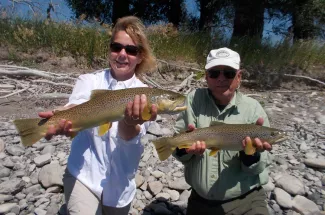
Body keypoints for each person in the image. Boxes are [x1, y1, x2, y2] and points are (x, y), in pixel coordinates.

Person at [39, 16, 157, 215]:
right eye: (116, 47)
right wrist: (63, 115)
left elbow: (132, 136)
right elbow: (77, 104)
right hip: (83, 176)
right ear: (109, 50)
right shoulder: (88, 80)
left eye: (131, 50)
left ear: (140, 56)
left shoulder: (145, 93)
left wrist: (129, 123)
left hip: (120, 186)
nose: (122, 54)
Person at [172, 47, 272, 215]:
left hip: (246, 202)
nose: (221, 78)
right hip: (200, 202)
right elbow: (179, 151)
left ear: (238, 77)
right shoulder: (193, 100)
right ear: (206, 77)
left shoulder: (253, 109)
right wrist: (184, 148)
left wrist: (251, 154)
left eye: (228, 73)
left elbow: (257, 169)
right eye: (214, 73)